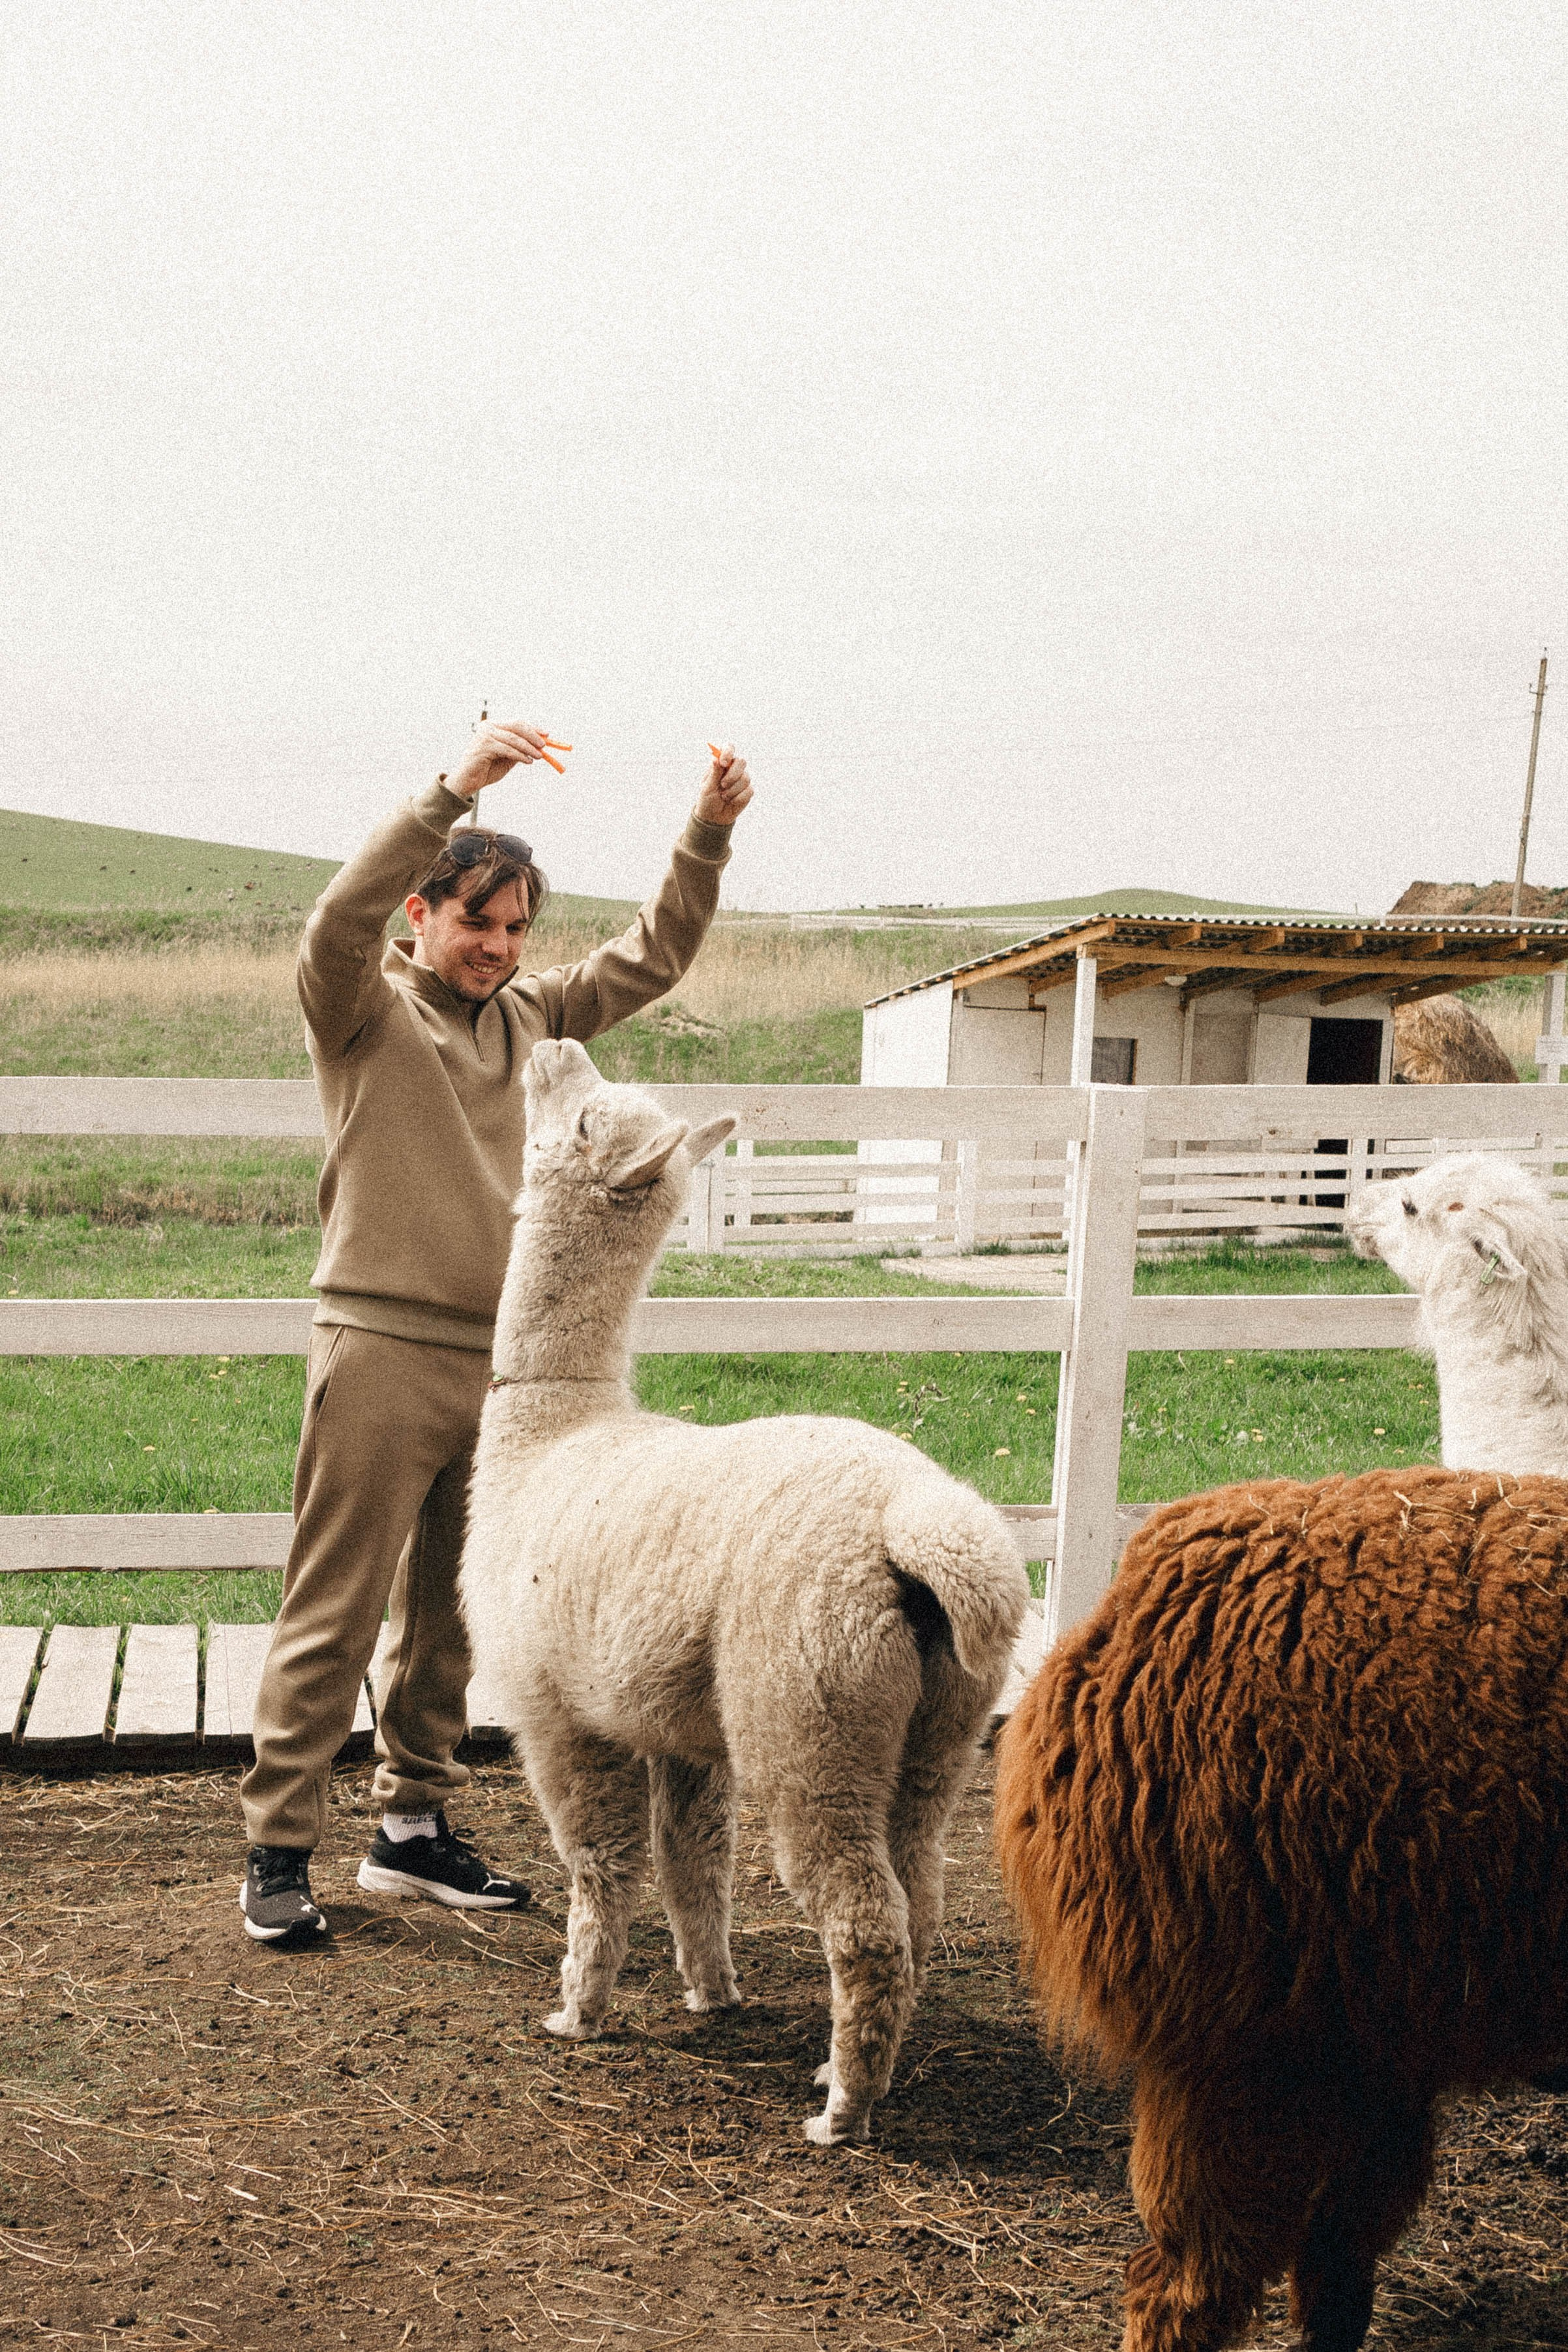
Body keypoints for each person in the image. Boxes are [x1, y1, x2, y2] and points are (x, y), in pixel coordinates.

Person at [237, 721, 753, 1941]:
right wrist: (449, 790)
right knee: (333, 1611)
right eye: (478, 922)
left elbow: (655, 954)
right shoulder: (359, 1010)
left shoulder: (538, 1018)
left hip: (508, 1373)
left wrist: (707, 833)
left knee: (457, 1618)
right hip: (378, 1351)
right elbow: (335, 923)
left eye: (517, 928)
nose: (499, 947)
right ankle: (277, 1848)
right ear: (421, 915)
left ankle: (411, 1831)